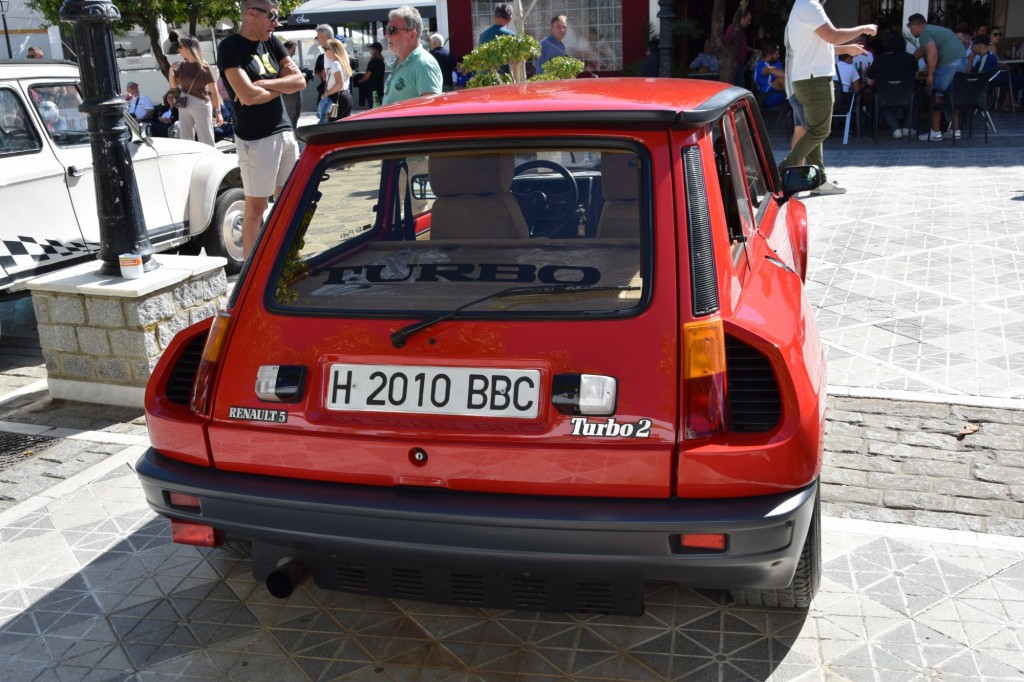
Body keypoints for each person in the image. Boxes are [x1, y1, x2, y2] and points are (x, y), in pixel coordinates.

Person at [217, 0, 306, 257]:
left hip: (284, 131)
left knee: (290, 204)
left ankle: (288, 261)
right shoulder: (230, 47)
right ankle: (251, 271)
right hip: (256, 138)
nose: (275, 24)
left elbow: (300, 81)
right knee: (256, 209)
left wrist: (264, 84)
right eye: (272, 16)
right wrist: (280, 84)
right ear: (252, 14)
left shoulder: (272, 41)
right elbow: (247, 96)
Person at [779, 0, 876, 196]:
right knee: (820, 131)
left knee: (813, 130)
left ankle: (818, 181)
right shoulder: (810, 6)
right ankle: (783, 170)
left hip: (805, 80)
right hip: (815, 80)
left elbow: (819, 45)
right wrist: (863, 28)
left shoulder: (801, 6)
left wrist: (846, 49)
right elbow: (833, 35)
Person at [907, 14, 968, 141]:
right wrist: (908, 61)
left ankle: (935, 132)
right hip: (961, 62)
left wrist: (930, 74)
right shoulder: (935, 30)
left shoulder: (924, 34)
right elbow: (921, 50)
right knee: (952, 96)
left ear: (915, 25)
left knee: (936, 95)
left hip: (948, 64)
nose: (910, 30)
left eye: (909, 26)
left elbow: (932, 51)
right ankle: (955, 131)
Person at [169, 35, 223, 147]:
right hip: (184, 103)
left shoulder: (203, 66)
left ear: (188, 47)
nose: (178, 49)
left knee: (206, 138)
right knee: (185, 138)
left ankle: (210, 157)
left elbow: (214, 91)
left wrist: (218, 112)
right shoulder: (182, 66)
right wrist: (171, 70)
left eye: (180, 46)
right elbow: (173, 85)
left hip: (200, 103)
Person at [382, 6, 442, 105]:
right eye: (387, 29)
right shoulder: (399, 61)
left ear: (412, 35)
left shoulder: (423, 64)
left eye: (392, 30)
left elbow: (431, 109)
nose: (387, 34)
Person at [865, 30, 919, 138]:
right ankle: (907, 127)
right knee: (917, 98)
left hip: (885, 96)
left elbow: (870, 83)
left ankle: (895, 129)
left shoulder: (880, 60)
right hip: (906, 95)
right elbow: (916, 77)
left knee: (880, 102)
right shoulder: (910, 58)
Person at [319, 38, 353, 123]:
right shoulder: (342, 62)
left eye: (326, 49)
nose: (325, 52)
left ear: (333, 50)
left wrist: (326, 93)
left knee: (333, 126)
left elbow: (339, 84)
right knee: (343, 126)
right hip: (345, 96)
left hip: (338, 97)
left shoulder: (336, 64)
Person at [724, 9, 753, 86]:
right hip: (733, 65)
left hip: (740, 65)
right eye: (748, 20)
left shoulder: (741, 30)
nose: (749, 22)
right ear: (742, 18)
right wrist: (732, 61)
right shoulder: (732, 30)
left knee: (740, 88)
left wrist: (753, 50)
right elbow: (726, 45)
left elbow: (743, 46)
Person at [753, 42, 786, 106]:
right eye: (776, 54)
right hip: (768, 96)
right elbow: (769, 69)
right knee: (780, 80)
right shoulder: (761, 66)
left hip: (782, 92)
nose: (778, 56)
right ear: (768, 56)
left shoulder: (776, 61)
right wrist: (792, 76)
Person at [281, 40, 304, 129]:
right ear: (286, 49)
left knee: (296, 114)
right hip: (288, 93)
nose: (294, 53)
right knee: (290, 115)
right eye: (292, 50)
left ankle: (294, 132)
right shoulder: (281, 60)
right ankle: (291, 133)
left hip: (296, 91)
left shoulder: (290, 60)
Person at [356, 42, 386, 106]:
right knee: (378, 108)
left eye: (371, 49)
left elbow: (366, 77)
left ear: (374, 51)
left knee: (374, 109)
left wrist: (359, 81)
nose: (370, 51)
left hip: (372, 92)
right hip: (379, 90)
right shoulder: (381, 62)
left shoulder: (372, 63)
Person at [313, 24, 334, 105]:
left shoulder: (331, 53)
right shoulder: (326, 53)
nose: (317, 40)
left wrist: (326, 94)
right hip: (333, 93)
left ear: (326, 36)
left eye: (318, 37)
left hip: (335, 94)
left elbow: (327, 78)